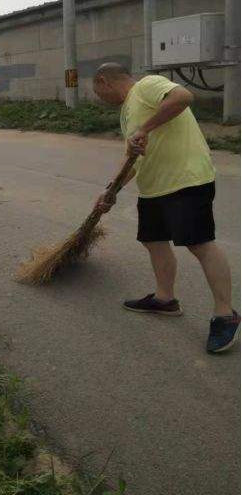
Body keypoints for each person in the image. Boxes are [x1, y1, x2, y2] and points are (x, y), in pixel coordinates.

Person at [93, 62, 239, 354]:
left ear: (103, 81)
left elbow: (184, 97)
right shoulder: (126, 112)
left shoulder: (146, 86)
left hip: (185, 180)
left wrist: (145, 128)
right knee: (153, 240)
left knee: (199, 244)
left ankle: (226, 315)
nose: (99, 98)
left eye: (97, 91)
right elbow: (136, 159)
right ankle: (165, 299)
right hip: (154, 188)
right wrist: (112, 190)